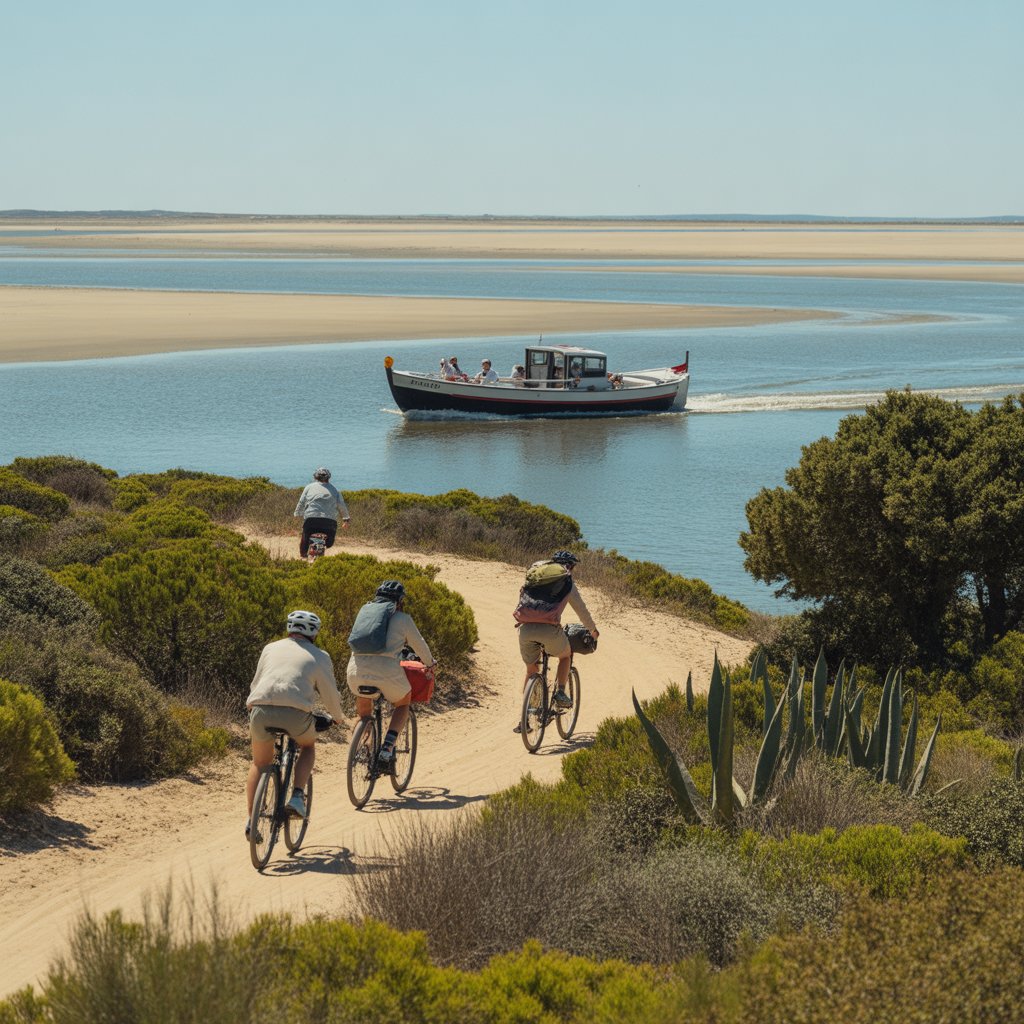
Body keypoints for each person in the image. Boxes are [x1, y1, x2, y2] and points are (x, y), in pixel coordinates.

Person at [246, 610, 344, 832]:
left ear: (289, 628)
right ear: (315, 633)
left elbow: (256, 682)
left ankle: (252, 821)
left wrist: (252, 704)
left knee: (259, 764)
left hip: (260, 709)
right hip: (296, 714)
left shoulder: (269, 648)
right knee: (308, 746)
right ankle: (298, 796)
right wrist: (337, 717)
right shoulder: (320, 656)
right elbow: (329, 694)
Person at [347, 580, 434, 766]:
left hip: (355, 671)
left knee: (364, 710)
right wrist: (430, 663)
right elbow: (419, 645)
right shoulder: (403, 619)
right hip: (387, 672)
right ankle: (387, 747)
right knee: (403, 702)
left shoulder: (365, 612)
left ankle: (364, 743)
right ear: (400, 602)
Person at [515, 551, 599, 729]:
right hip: (549, 630)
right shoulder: (566, 580)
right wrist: (593, 631)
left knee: (531, 671)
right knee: (565, 655)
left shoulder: (535, 575)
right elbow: (581, 610)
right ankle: (560, 693)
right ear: (570, 566)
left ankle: (525, 719)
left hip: (525, 628)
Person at [293, 467, 350, 558]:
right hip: (329, 523)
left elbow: (302, 502)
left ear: (315, 477)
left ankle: (303, 557)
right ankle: (322, 548)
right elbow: (341, 506)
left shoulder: (309, 487)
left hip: (311, 520)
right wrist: (346, 519)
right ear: (329, 478)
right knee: (329, 543)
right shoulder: (335, 490)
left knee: (305, 539)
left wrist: (297, 514)